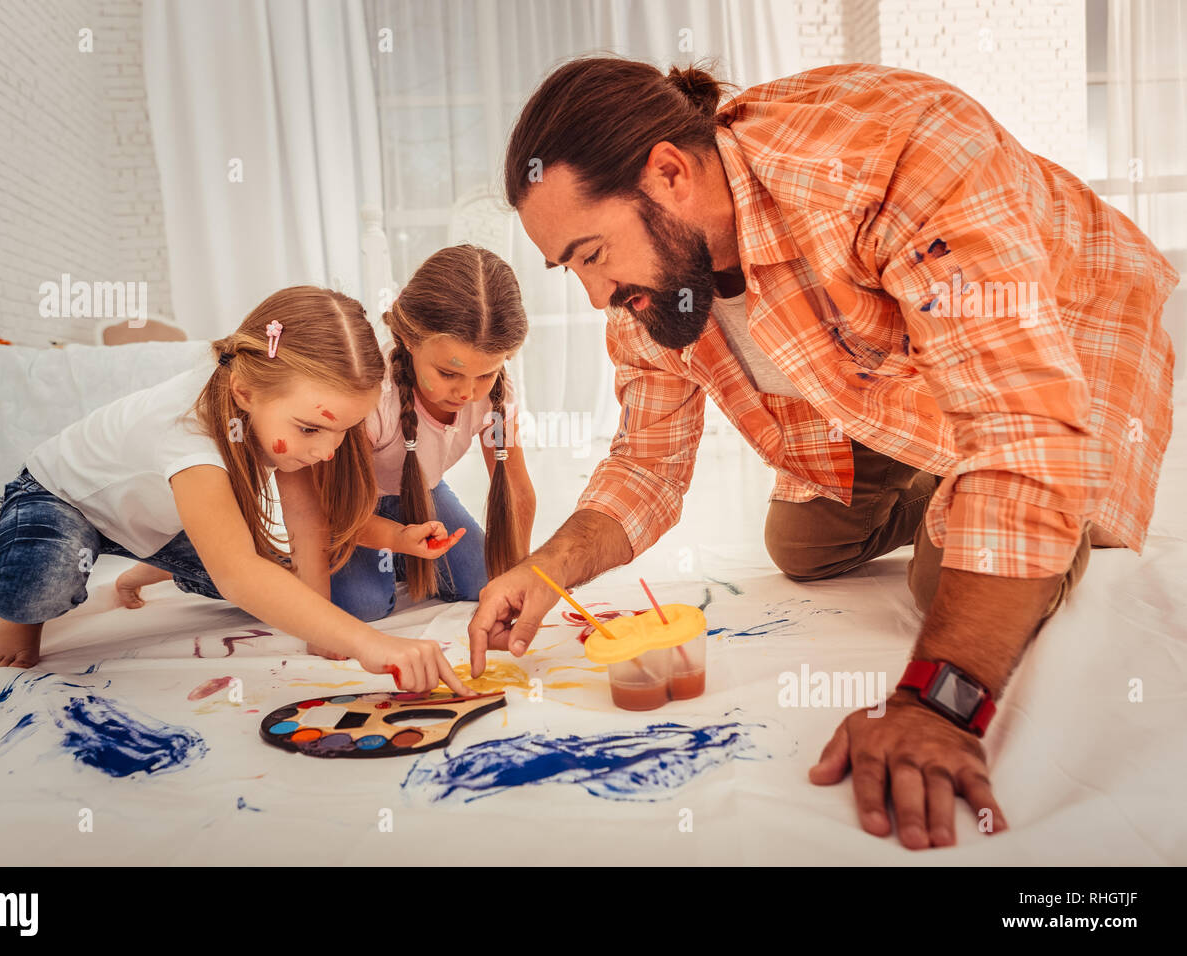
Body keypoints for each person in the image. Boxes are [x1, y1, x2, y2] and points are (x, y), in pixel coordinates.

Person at [468, 56, 1177, 848]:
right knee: (803, 544)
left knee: (954, 576)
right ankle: (945, 467)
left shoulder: (892, 157)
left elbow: (1021, 426)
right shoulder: (654, 291)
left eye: (592, 255)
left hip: (1072, 326)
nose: (597, 296)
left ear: (668, 173)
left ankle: (967, 484)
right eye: (573, 269)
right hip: (902, 369)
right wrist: (546, 569)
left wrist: (933, 704)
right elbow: (645, 465)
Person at [0, 285, 472, 695]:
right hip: (61, 501)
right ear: (243, 393)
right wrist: (371, 643)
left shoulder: (277, 401)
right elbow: (238, 575)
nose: (328, 452)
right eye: (311, 430)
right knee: (42, 582)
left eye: (345, 430)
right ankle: (17, 615)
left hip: (160, 522)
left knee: (282, 589)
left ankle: (141, 572)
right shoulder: (188, 431)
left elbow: (306, 523)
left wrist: (321, 633)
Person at [329, 244, 537, 621]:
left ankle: (405, 556)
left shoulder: (494, 395)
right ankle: (276, 560)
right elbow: (337, 510)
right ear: (409, 339)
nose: (467, 393)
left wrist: (517, 574)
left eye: (485, 374)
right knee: (364, 606)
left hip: (420, 492)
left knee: (484, 580)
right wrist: (393, 537)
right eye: (448, 373)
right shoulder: (374, 393)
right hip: (352, 508)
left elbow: (517, 489)